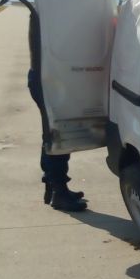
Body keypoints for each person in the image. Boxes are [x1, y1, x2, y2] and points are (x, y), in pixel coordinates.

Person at [28, 68, 87, 212]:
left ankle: (54, 187)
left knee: (53, 136)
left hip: (49, 80)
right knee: (58, 137)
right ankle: (59, 192)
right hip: (51, 83)